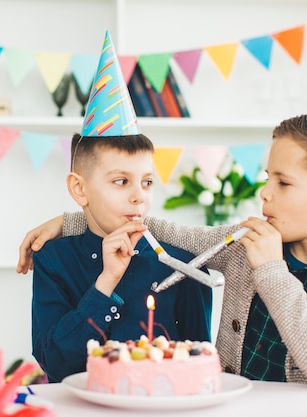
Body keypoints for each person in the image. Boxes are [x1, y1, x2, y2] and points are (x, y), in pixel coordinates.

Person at [18, 67, 307, 389]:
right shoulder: (243, 243)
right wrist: (74, 220)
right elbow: (174, 234)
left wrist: (271, 272)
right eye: (268, 177)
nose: (264, 194)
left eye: (282, 183)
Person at [30, 31, 213, 383]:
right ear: (79, 189)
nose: (138, 197)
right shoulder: (53, 261)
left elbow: (197, 367)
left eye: (146, 182)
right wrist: (105, 283)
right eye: (120, 181)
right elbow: (55, 364)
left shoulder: (183, 267)